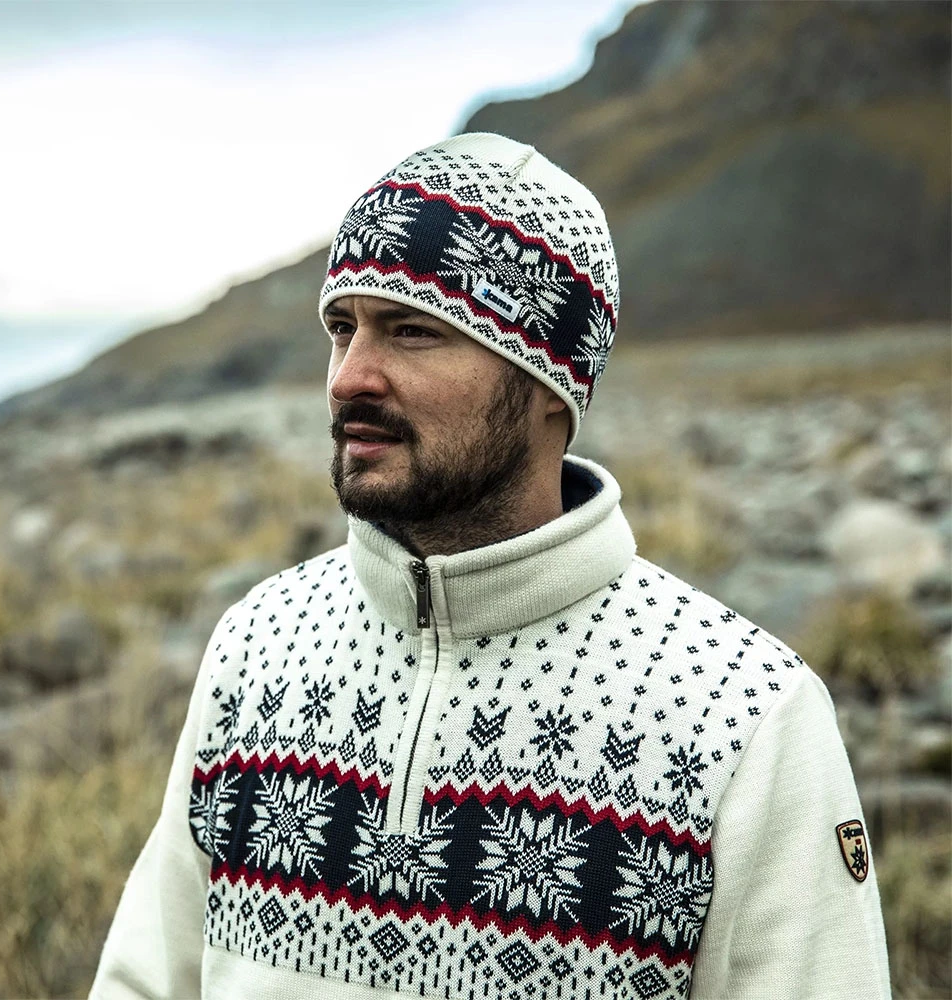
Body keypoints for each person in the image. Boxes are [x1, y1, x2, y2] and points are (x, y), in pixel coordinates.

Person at [91, 133, 890, 1000]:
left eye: (412, 331)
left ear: (550, 381)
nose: (350, 377)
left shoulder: (743, 714)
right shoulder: (260, 643)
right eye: (342, 328)